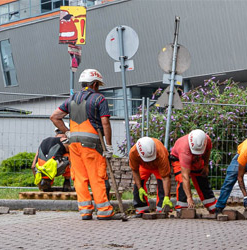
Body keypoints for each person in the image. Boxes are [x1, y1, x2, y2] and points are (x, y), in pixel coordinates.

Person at [49, 68, 120, 220]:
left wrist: (68, 132)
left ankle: (85, 211)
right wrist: (108, 145)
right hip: (92, 145)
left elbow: (54, 117)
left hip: (74, 145)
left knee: (80, 178)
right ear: (94, 84)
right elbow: (105, 123)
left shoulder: (72, 99)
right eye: (98, 85)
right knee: (96, 176)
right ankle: (104, 211)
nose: (98, 87)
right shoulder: (99, 99)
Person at [170, 129, 218, 214]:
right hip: (178, 159)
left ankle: (212, 207)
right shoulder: (184, 149)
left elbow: (207, 151)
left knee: (202, 178)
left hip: (196, 159)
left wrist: (206, 166)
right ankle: (182, 209)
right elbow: (185, 176)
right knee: (182, 181)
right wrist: (189, 197)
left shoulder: (207, 140)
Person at [129, 137, 173, 217]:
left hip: (158, 166)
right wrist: (139, 188)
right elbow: (135, 171)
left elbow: (165, 178)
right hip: (143, 166)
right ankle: (141, 209)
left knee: (162, 184)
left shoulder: (161, 152)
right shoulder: (133, 152)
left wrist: (166, 196)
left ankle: (161, 208)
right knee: (138, 184)